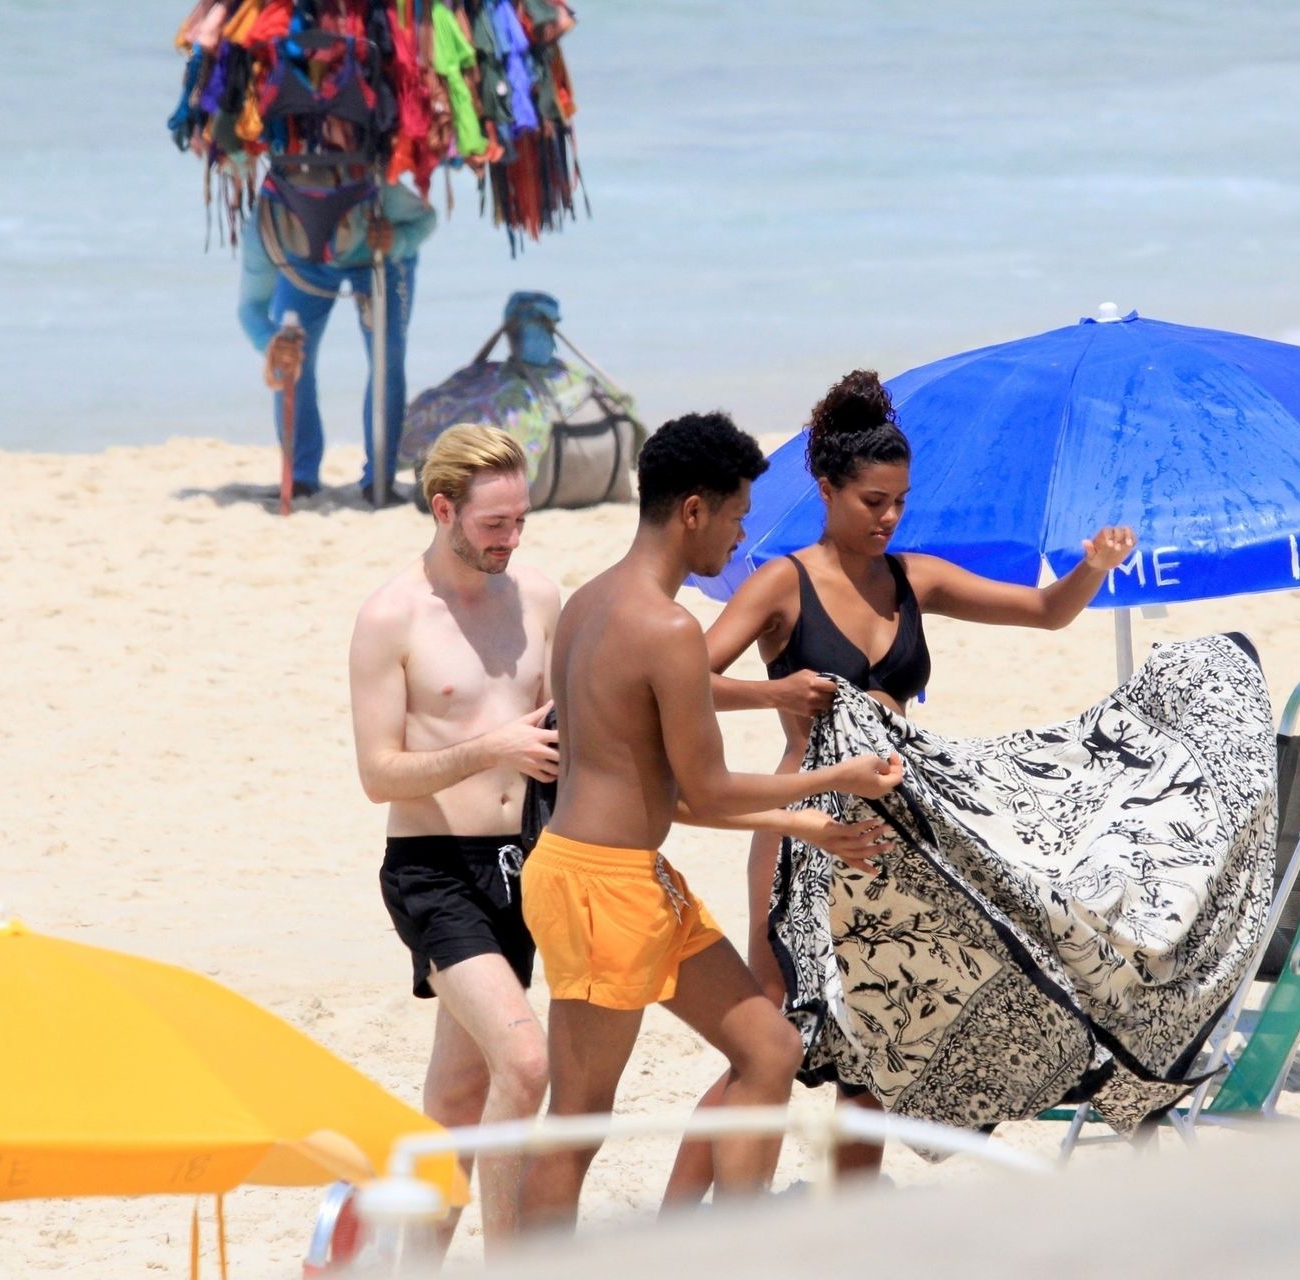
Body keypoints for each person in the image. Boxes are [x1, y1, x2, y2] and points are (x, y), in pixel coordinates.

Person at [664, 369, 1138, 1201]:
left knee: (882, 1026)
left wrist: (1091, 567)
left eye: (899, 502)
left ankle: (852, 1225)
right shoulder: (784, 581)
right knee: (770, 1027)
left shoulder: (914, 577)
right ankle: (679, 1222)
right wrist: (774, 692)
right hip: (800, 818)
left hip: (898, 825)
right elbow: (684, 675)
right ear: (826, 489)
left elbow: (1045, 612)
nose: (887, 518)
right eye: (872, 501)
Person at [514, 412, 906, 1232]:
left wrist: (808, 825)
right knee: (579, 1119)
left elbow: (673, 799)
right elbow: (711, 785)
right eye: (735, 516)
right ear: (693, 511)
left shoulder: (589, 604)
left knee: (769, 1049)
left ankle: (734, 1248)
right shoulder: (666, 629)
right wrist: (834, 781)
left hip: (632, 874)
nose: (740, 536)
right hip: (599, 885)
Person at [348, 424, 560, 1252]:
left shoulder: (538, 595)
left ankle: (415, 1264)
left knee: (459, 1095)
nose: (510, 540)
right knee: (526, 1064)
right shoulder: (391, 617)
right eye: (494, 525)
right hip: (432, 869)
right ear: (444, 510)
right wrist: (493, 748)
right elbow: (378, 775)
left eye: (520, 521)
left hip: (523, 862)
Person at [242, 177, 437, 505]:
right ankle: (301, 475)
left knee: (387, 360)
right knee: (290, 360)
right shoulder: (269, 224)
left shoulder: (375, 190)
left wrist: (397, 240)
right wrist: (271, 345)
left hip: (381, 256)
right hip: (302, 266)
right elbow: (250, 309)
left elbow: (426, 219)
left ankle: (379, 478)